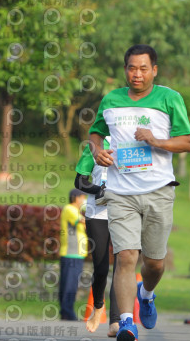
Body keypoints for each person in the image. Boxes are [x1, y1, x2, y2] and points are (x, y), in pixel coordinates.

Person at [89, 44, 190, 341]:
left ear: (154, 70)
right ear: (125, 70)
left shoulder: (170, 98)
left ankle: (146, 294)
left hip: (158, 191)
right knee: (125, 257)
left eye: (143, 68)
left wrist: (156, 140)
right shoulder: (111, 100)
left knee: (154, 263)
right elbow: (94, 133)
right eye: (132, 68)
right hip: (120, 192)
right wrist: (97, 150)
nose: (137, 74)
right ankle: (125, 322)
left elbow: (187, 142)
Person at [75, 139, 121, 337]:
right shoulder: (94, 146)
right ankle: (98, 307)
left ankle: (116, 320)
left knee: (123, 267)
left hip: (124, 213)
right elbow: (79, 181)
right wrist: (100, 191)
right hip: (97, 214)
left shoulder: (131, 143)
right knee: (101, 267)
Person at [58, 188, 88, 321]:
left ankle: (66, 312)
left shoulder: (75, 210)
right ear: (76, 198)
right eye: (83, 198)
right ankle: (67, 312)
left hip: (76, 254)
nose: (84, 200)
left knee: (70, 283)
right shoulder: (69, 209)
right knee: (69, 284)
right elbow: (83, 221)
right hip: (71, 253)